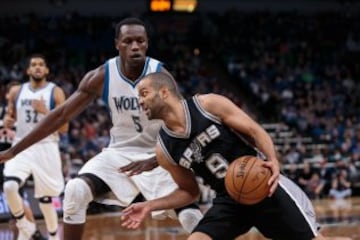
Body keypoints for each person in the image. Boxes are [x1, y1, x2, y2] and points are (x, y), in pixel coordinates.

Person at [0, 18, 202, 240]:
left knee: (190, 216)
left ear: (147, 43)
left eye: (140, 41)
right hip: (119, 154)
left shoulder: (161, 75)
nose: (134, 46)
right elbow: (60, 115)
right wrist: (14, 150)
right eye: (128, 41)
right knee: (75, 190)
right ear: (117, 44)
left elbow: (184, 124)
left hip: (160, 152)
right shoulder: (103, 75)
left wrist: (160, 158)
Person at [120, 72, 329, 240]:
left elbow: (254, 131)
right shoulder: (164, 150)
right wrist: (150, 205)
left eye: (144, 93)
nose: (140, 101)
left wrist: (272, 160)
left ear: (164, 92)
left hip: (263, 186)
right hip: (228, 200)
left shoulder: (208, 105)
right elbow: (189, 192)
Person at [3, 54, 68, 240]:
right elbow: (11, 118)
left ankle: (54, 237)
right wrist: (8, 121)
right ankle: (26, 226)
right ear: (28, 70)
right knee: (9, 186)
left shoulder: (55, 92)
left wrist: (45, 112)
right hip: (22, 145)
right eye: (34, 65)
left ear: (46, 70)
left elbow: (64, 128)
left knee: (46, 200)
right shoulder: (16, 91)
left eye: (41, 64)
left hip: (46, 146)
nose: (37, 67)